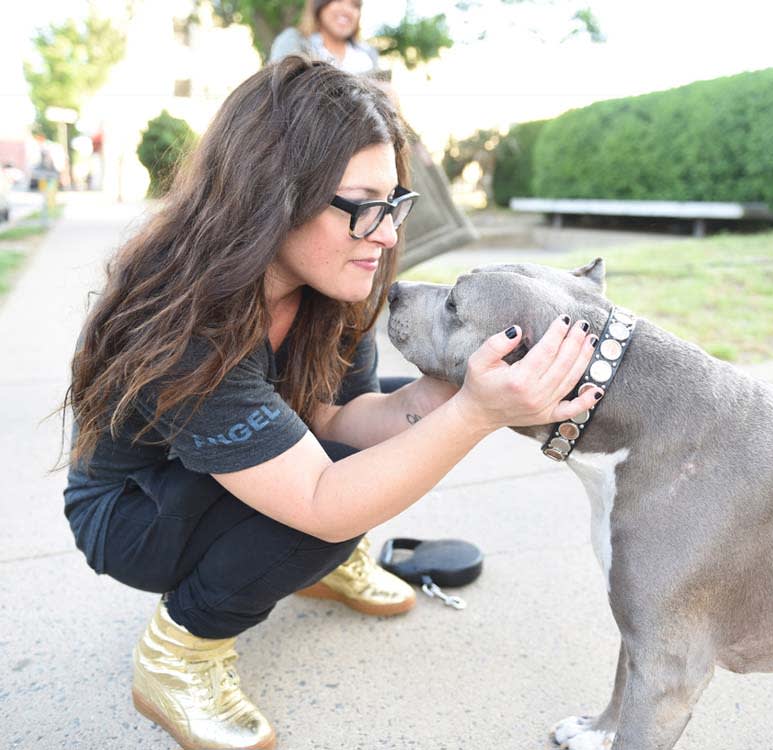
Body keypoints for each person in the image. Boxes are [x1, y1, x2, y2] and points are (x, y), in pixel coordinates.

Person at [62, 57, 602, 750]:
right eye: (365, 205)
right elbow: (325, 498)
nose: (386, 233)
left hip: (239, 475)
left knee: (358, 471)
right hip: (133, 515)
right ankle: (178, 654)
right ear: (270, 195)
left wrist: (461, 386)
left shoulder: (331, 287)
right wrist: (476, 415)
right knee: (332, 512)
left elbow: (338, 422)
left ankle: (313, 567)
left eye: (395, 202)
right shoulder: (189, 323)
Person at [269, 0, 379, 73]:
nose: (347, 10)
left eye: (355, 5)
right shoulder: (294, 41)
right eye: (338, 0)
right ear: (319, 4)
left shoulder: (367, 54)